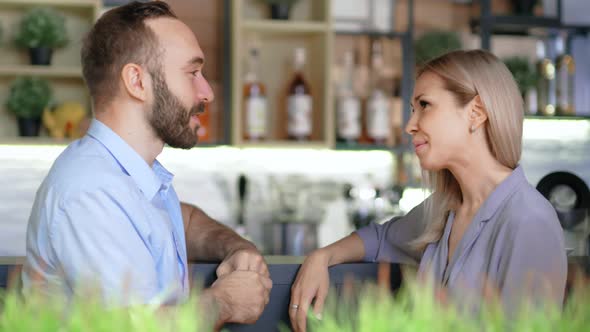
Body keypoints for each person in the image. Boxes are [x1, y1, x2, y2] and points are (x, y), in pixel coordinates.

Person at [22, 1, 272, 328]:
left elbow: (180, 219)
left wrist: (236, 246)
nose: (207, 92)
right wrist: (223, 302)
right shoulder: (91, 192)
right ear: (137, 82)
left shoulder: (127, 176)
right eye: (192, 73)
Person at [289, 49, 567, 331]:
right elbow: (380, 238)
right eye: (412, 109)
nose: (410, 125)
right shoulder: (445, 209)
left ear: (476, 112)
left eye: (424, 105)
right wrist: (321, 257)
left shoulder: (530, 221)